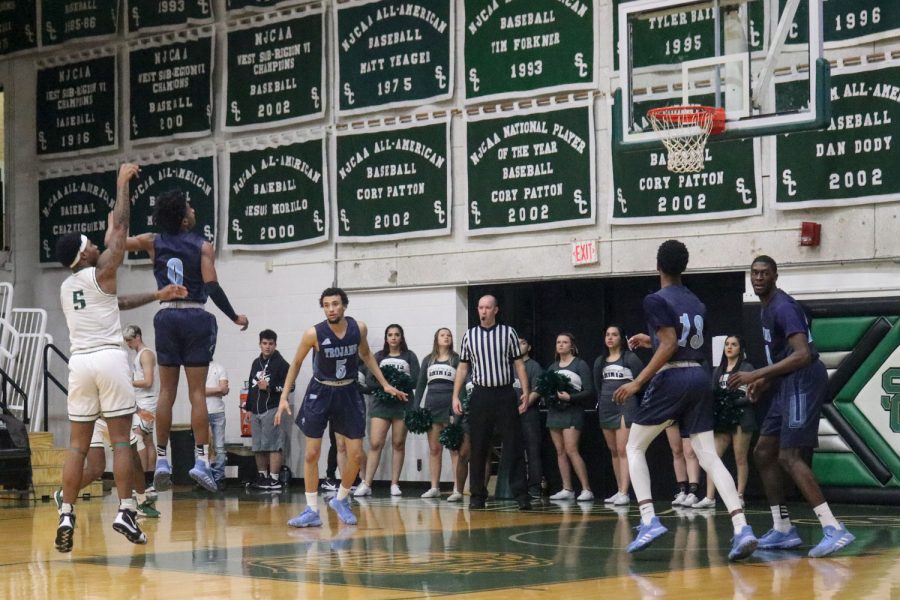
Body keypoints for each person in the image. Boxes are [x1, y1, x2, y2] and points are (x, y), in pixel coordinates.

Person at [54, 163, 181, 552]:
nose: (97, 245)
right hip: (109, 361)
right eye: (90, 243)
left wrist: (157, 296)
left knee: (76, 447)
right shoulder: (102, 270)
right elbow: (121, 231)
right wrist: (122, 183)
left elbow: (117, 302)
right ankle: (126, 508)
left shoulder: (68, 287)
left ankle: (66, 512)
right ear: (83, 252)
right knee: (122, 443)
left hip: (79, 366)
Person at [612, 240, 757, 560]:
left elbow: (669, 346)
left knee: (633, 447)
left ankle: (648, 519)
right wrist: (650, 340)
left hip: (673, 378)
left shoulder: (655, 298)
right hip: (699, 377)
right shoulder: (696, 301)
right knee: (709, 457)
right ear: (684, 267)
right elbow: (682, 342)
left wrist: (638, 381)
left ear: (658, 266)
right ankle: (741, 526)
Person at [125, 186, 249, 493]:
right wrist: (235, 317)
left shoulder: (152, 241)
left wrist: (116, 213)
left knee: (166, 391)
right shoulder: (202, 245)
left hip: (166, 316)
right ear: (182, 219)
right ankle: (199, 461)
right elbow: (212, 288)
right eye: (190, 209)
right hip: (195, 316)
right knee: (197, 393)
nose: (194, 212)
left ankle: (164, 460)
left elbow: (116, 243)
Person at [728, 256, 855, 557]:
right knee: (762, 452)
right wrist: (766, 383)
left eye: (764, 273)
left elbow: (802, 355)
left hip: (803, 379)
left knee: (789, 455)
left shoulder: (784, 307)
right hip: (786, 382)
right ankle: (783, 528)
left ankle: (834, 528)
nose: (758, 278)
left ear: (775, 275)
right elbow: (783, 358)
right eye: (754, 273)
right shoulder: (765, 308)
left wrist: (755, 374)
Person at [274, 287, 408, 528]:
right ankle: (312, 509)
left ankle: (341, 499)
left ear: (344, 306)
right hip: (320, 391)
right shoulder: (313, 334)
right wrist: (284, 396)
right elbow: (295, 363)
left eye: (335, 304)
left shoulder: (359, 328)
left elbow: (366, 355)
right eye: (326, 305)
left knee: (356, 454)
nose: (331, 309)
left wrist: (385, 384)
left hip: (348, 391)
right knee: (311, 453)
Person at [451, 294, 532, 511]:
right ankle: (478, 495)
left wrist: (525, 391)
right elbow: (463, 367)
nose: (483, 311)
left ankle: (521, 494)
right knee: (478, 446)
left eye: (488, 307)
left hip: (504, 393)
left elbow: (519, 364)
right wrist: (455, 395)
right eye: (480, 307)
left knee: (513, 444)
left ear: (496, 310)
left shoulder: (508, 333)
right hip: (480, 394)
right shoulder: (470, 335)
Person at [355, 324, 419, 497]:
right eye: (390, 334)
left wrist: (399, 383)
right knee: (375, 443)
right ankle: (367, 483)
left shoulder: (409, 356)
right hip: (381, 404)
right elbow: (370, 380)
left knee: (398, 443)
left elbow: (415, 380)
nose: (393, 338)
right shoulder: (379, 356)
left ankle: (394, 484)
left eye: (397, 334)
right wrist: (387, 386)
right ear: (386, 338)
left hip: (402, 403)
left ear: (401, 337)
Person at [55, 416, 160, 519]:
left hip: (114, 417)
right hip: (93, 419)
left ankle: (141, 502)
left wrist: (139, 410)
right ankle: (63, 494)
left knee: (134, 459)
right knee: (96, 468)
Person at [694, 335, 755, 509]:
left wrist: (733, 401)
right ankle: (709, 497)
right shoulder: (718, 370)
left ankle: (739, 495)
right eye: (727, 344)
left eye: (734, 345)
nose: (729, 347)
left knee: (740, 457)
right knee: (712, 456)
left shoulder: (746, 367)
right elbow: (713, 392)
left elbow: (751, 395)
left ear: (740, 349)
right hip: (722, 418)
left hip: (742, 416)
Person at [593, 324, 644, 505]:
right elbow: (598, 386)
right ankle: (619, 489)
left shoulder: (629, 357)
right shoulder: (600, 361)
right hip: (607, 407)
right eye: (607, 335)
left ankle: (625, 492)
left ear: (621, 338)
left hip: (626, 406)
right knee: (613, 450)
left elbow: (642, 380)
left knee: (623, 450)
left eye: (614, 334)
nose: (610, 338)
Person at [545, 332, 595, 502]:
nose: (561, 345)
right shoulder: (552, 367)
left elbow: (589, 391)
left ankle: (586, 489)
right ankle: (567, 488)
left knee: (571, 449)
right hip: (555, 412)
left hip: (573, 411)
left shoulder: (580, 365)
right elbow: (546, 388)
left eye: (564, 342)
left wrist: (571, 398)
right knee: (560, 451)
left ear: (572, 345)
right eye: (558, 342)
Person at [415, 327, 460, 498]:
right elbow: (420, 384)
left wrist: (458, 408)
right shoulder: (428, 359)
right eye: (443, 335)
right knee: (434, 449)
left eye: (448, 335)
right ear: (436, 339)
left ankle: (457, 488)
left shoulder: (456, 359)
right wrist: (416, 406)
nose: (446, 337)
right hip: (432, 406)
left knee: (453, 448)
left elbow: (461, 384)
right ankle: (434, 487)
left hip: (449, 406)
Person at [246, 330, 290, 490]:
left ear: (275, 345)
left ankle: (274, 478)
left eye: (271, 344)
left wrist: (270, 387)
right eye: (264, 343)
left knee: (273, 444)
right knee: (258, 445)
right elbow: (251, 387)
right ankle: (262, 476)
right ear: (260, 344)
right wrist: (248, 408)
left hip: (272, 408)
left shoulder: (282, 364)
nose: (267, 347)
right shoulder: (255, 363)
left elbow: (290, 387)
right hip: (256, 410)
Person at [123, 324, 158, 488]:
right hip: (141, 401)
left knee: (138, 438)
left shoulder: (146, 355)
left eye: (130, 341)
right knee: (147, 439)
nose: (128, 345)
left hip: (147, 402)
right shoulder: (138, 356)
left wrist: (128, 383)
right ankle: (149, 479)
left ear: (138, 337)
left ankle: (143, 478)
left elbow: (148, 381)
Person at [514, 337, 544, 499]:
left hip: (529, 414)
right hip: (510, 415)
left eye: (523, 343)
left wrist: (525, 404)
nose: (519, 346)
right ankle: (517, 486)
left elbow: (537, 389)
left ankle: (534, 488)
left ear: (529, 347)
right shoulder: (508, 365)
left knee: (532, 451)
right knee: (514, 452)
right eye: (516, 343)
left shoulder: (534, 366)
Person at [205, 360, 230, 490]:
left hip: (218, 412)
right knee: (202, 447)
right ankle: (203, 477)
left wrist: (206, 390)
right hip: (201, 411)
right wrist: (218, 389)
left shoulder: (219, 367)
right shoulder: (198, 369)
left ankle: (219, 478)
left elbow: (225, 390)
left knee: (219, 447)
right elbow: (197, 390)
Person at [666, 424, 702, 507]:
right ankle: (682, 491)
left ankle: (693, 493)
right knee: (676, 450)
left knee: (689, 451)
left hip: (688, 414)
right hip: (671, 414)